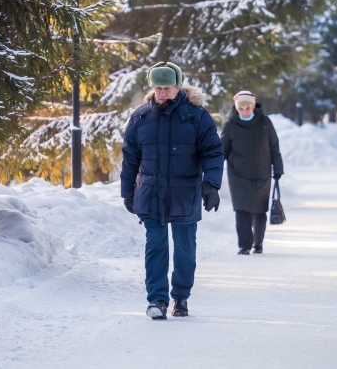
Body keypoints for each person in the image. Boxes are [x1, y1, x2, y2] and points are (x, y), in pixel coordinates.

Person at [120, 61, 224, 320]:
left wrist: (211, 184)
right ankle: (157, 299)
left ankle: (181, 297)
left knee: (185, 249)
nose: (161, 93)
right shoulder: (141, 117)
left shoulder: (196, 116)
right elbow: (130, 158)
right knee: (155, 247)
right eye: (157, 87)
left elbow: (212, 152)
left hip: (184, 193)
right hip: (151, 193)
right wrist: (127, 192)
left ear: (178, 87)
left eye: (166, 87)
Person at [221, 91, 284, 255]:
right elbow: (222, 151)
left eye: (247, 107)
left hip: (261, 173)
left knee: (259, 209)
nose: (245, 111)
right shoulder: (230, 126)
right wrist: (213, 169)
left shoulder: (265, 123)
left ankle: (258, 243)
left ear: (253, 106)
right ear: (237, 108)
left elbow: (274, 148)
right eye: (241, 108)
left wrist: (277, 170)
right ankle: (244, 245)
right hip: (237, 175)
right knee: (241, 210)